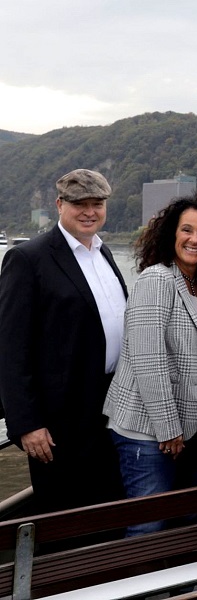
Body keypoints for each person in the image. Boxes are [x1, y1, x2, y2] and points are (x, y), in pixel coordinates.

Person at [103, 194, 197, 535]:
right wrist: (169, 430)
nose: (195, 239)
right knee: (148, 525)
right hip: (149, 434)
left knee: (192, 518)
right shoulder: (156, 280)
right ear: (170, 234)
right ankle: (140, 587)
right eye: (187, 230)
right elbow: (149, 361)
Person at [0, 169, 127, 513]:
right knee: (65, 516)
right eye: (79, 204)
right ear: (59, 205)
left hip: (109, 409)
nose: (89, 211)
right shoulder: (28, 259)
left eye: (97, 203)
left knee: (110, 505)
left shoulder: (104, 254)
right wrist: (27, 424)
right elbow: (11, 349)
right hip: (59, 421)